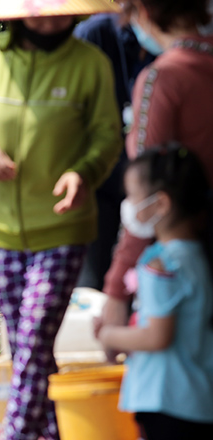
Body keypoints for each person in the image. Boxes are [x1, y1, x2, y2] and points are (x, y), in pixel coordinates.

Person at [0, 0, 122, 438]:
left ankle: (16, 433)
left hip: (64, 227)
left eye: (61, 11)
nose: (51, 19)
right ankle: (50, 431)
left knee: (32, 340)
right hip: (1, 227)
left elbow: (106, 134)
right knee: (30, 346)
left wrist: (83, 172)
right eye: (41, 10)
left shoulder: (89, 63)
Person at [101, 0, 213, 337]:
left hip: (190, 255)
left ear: (144, 13)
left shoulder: (162, 78)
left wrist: (116, 289)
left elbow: (145, 197)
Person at [95, 146, 213, 439]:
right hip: (198, 398)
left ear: (160, 203)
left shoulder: (161, 264)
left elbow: (157, 336)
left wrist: (108, 335)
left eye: (132, 196)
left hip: (165, 398)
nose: (128, 205)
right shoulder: (197, 256)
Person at [73, 13, 155, 290]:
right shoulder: (94, 35)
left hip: (157, 184)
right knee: (92, 285)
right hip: (99, 176)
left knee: (153, 283)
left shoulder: (174, 42)